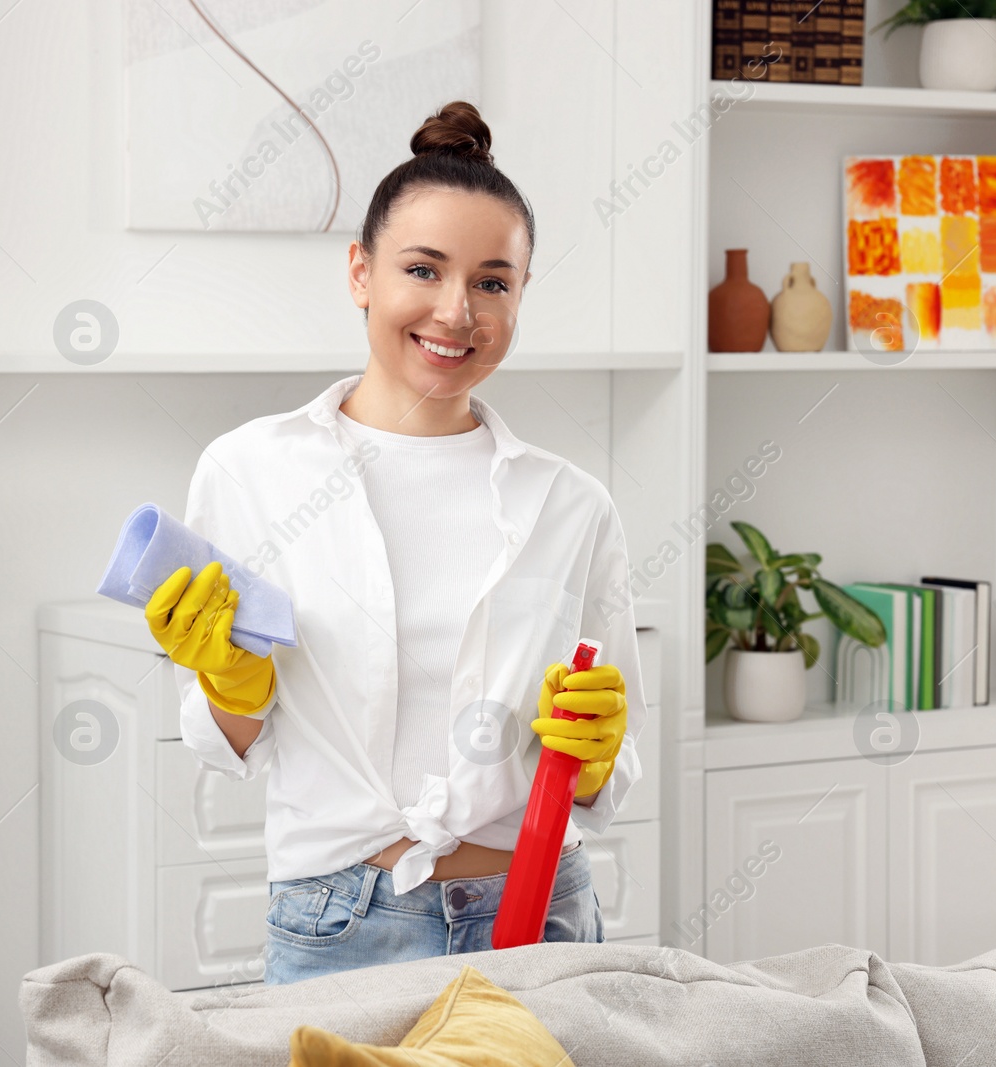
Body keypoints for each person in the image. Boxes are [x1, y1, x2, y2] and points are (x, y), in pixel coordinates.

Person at [142, 100, 645, 986]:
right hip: (340, 923)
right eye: (423, 269)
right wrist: (232, 683)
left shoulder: (572, 503)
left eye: (494, 282)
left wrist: (601, 752)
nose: (457, 312)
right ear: (360, 272)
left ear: (520, 296)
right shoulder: (252, 469)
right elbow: (228, 745)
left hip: (540, 918)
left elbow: (611, 776)